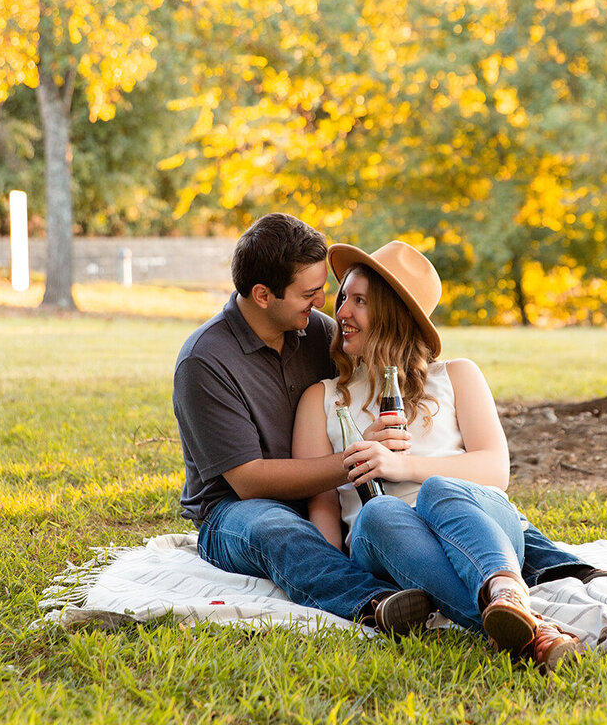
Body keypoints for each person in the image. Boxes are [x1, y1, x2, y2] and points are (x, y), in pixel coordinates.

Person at [293, 240, 607, 671]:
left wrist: (401, 466)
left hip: (478, 527)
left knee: (442, 491)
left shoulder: (457, 376)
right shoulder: (322, 399)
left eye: (360, 301)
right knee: (379, 512)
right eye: (343, 297)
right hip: (390, 543)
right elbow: (324, 509)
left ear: (395, 314)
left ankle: (510, 599)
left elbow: (494, 471)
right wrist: (343, 583)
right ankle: (537, 627)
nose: (342, 313)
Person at [172, 214, 432, 634]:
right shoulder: (205, 362)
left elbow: (386, 358)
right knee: (275, 527)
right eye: (309, 293)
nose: (324, 302)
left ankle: (506, 574)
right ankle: (377, 604)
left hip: (325, 501)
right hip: (235, 513)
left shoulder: (317, 332)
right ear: (262, 295)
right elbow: (249, 481)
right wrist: (356, 457)